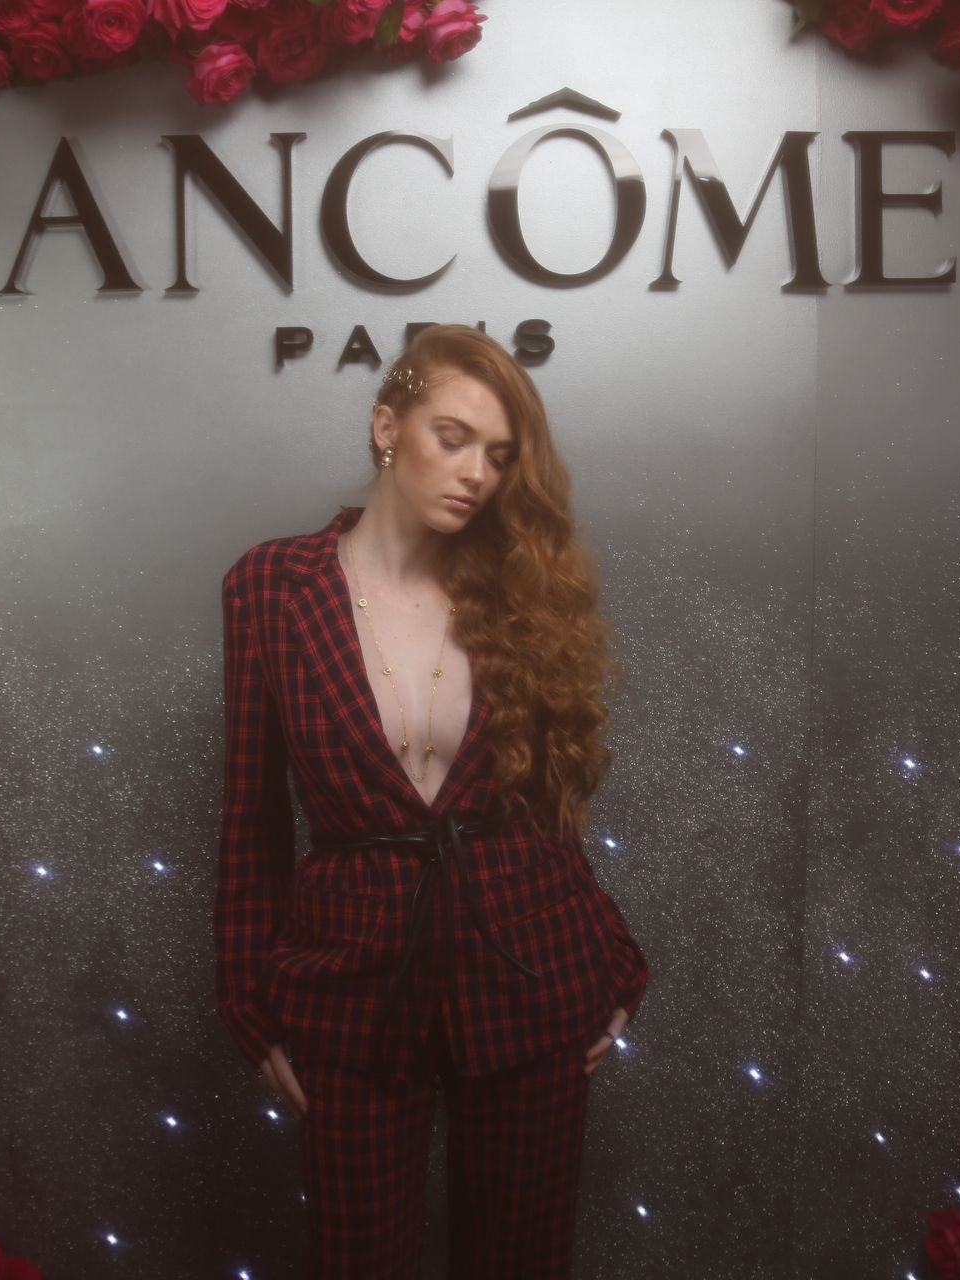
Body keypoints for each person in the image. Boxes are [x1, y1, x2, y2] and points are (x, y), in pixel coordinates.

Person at [213, 324, 651, 1278]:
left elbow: (548, 815)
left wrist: (612, 961)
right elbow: (251, 819)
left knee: (521, 1262)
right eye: (452, 438)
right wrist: (249, 999)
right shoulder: (272, 587)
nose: (476, 474)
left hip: (532, 972)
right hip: (351, 985)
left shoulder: (521, 592)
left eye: (498, 455)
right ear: (387, 427)